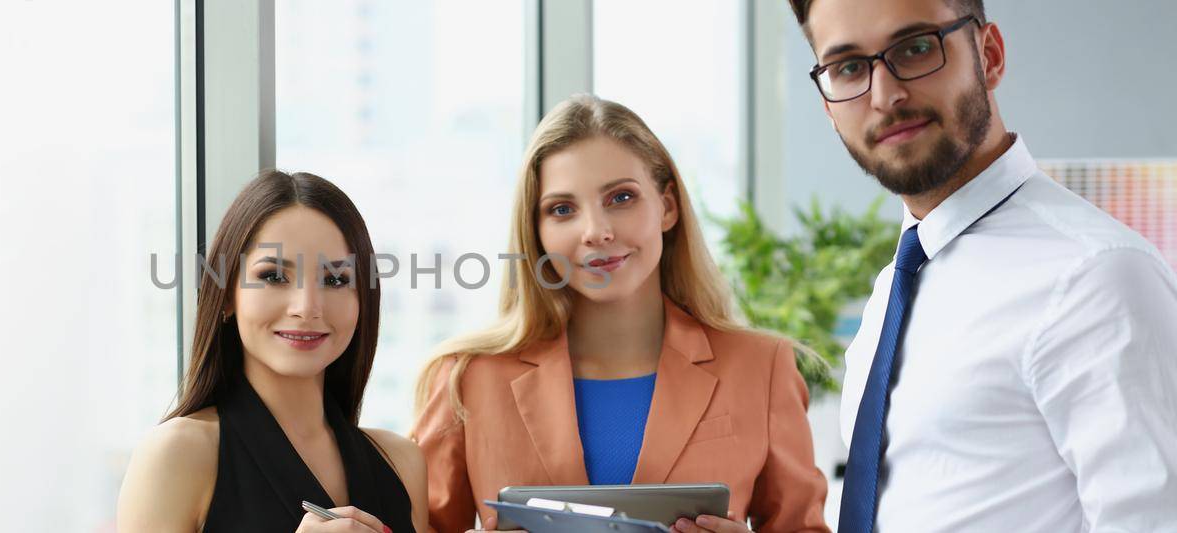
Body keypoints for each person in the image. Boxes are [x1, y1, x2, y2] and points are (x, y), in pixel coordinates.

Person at [787, 0, 1177, 531]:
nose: (885, 96)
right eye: (849, 67)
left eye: (916, 47)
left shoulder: (1097, 277)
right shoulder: (894, 290)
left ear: (988, 55)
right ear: (829, 104)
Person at [411, 94, 829, 533]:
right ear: (536, 231)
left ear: (667, 207)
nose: (596, 231)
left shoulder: (761, 368)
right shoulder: (466, 378)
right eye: (562, 209)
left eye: (621, 197)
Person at [118, 171, 429, 533]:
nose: (307, 307)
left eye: (335, 280)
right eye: (273, 276)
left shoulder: (401, 462)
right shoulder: (176, 455)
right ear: (226, 296)